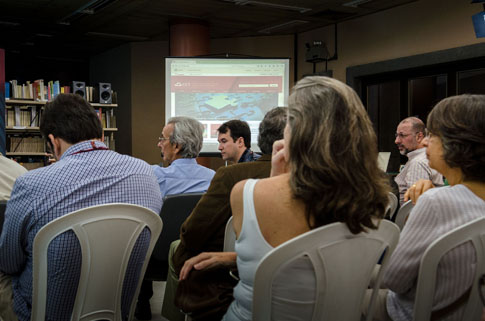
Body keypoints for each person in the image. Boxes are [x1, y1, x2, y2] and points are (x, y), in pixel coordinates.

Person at [185, 76, 390, 321]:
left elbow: (263, 257)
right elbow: (318, 262)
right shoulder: (375, 198)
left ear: (295, 131)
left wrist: (274, 179)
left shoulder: (246, 193)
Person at [0, 93, 163, 321]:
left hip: (42, 313)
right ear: (102, 134)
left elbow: (9, 262)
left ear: (54, 142)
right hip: (116, 308)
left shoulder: (31, 184)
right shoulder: (146, 173)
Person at [161, 107, 287, 321]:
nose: (219, 147)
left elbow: (193, 233)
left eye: (223, 141)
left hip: (227, 282)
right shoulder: (321, 186)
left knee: (178, 249)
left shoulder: (231, 177)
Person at [371, 94, 485, 321]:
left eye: (432, 135)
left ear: (456, 145)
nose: (424, 143)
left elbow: (394, 280)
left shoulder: (436, 203)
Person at [135, 116, 215, 320]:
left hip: (156, 260)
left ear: (176, 146)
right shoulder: (214, 178)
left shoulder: (153, 176)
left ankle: (141, 305)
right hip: (200, 255)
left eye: (162, 138)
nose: (158, 143)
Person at [394, 117, 443, 205]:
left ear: (419, 137)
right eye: (396, 135)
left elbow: (416, 205)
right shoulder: (420, 159)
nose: (396, 141)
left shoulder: (417, 163)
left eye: (402, 135)